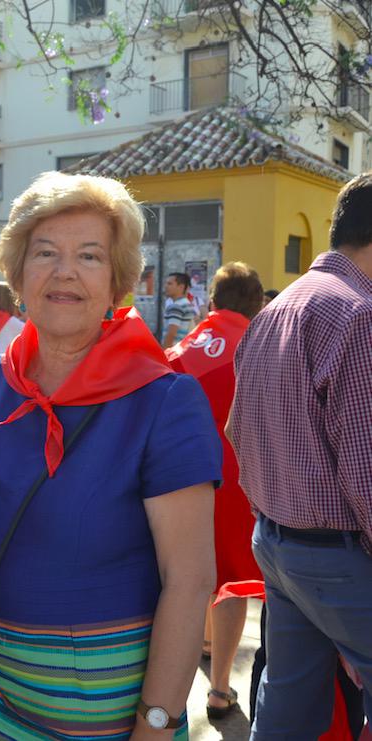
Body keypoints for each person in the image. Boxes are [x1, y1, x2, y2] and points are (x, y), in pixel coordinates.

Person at [0, 171, 221, 739]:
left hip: (112, 721)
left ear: (118, 280)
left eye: (89, 256)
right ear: (17, 271)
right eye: (46, 252)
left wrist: (157, 722)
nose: (65, 272)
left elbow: (191, 578)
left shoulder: (164, 400)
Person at [229, 173, 372, 738]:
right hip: (332, 551)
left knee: (288, 703)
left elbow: (239, 430)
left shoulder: (278, 306)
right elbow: (367, 472)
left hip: (277, 540)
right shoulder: (358, 312)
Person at [165, 262, 264, 721]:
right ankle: (221, 688)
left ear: (212, 301)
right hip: (240, 476)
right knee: (232, 582)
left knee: (192, 572)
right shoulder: (262, 343)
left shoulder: (185, 344)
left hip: (182, 474)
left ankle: (195, 655)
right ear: (257, 303)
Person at [162, 272, 196, 348]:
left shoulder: (176, 306)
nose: (166, 286)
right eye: (166, 283)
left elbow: (171, 333)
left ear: (181, 287)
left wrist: (165, 351)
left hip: (174, 350)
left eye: (169, 284)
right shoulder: (186, 303)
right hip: (184, 349)